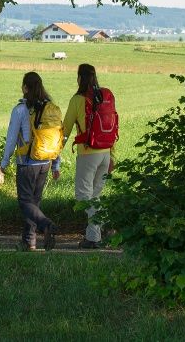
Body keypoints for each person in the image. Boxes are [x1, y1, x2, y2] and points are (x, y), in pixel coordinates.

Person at [0, 71, 62, 251]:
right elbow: (56, 137)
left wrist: (3, 163)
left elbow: (11, 139)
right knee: (34, 203)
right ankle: (29, 241)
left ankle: (46, 225)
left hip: (27, 163)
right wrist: (56, 164)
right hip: (45, 162)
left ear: (25, 88)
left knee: (25, 202)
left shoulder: (20, 110)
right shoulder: (49, 108)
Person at [63, 63, 116, 249]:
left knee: (83, 196)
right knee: (95, 195)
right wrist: (113, 156)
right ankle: (95, 236)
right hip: (106, 153)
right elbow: (112, 125)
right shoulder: (105, 95)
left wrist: (55, 152)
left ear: (80, 78)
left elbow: (66, 128)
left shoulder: (78, 99)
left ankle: (102, 225)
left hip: (88, 153)